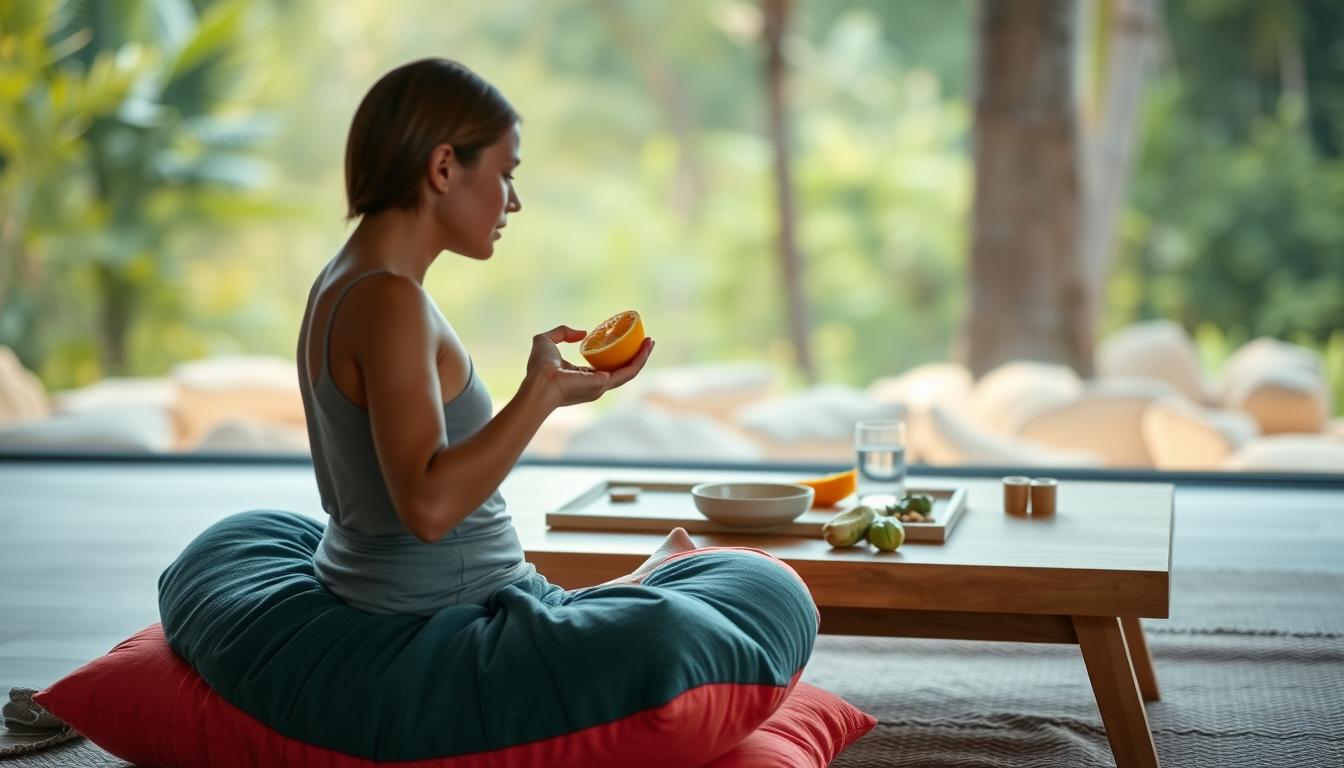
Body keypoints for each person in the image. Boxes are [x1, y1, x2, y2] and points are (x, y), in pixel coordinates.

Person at [296, 58, 695, 615]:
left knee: (685, 562)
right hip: (448, 614)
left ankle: (638, 583)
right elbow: (429, 508)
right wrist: (542, 394)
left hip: (383, 586)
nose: (514, 200)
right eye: (506, 172)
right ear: (442, 168)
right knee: (760, 588)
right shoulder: (390, 299)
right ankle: (633, 590)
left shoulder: (340, 280)